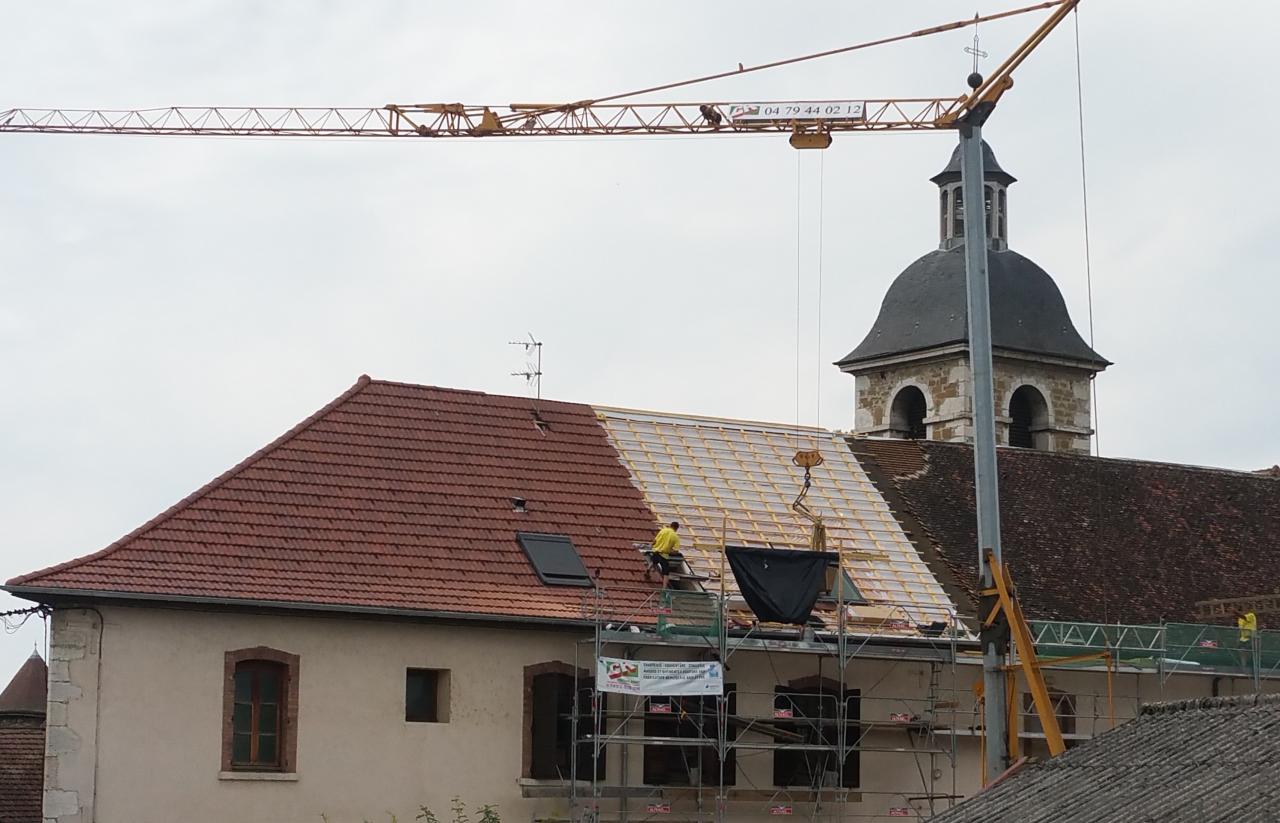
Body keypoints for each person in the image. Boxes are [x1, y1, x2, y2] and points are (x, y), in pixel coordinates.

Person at [649, 521, 683, 586]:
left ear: (670, 525)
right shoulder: (675, 537)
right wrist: (668, 551)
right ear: (676, 528)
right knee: (666, 572)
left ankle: (648, 570)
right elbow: (676, 551)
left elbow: (654, 541)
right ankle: (664, 587)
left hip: (656, 551)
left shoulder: (663, 530)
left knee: (654, 561)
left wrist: (653, 546)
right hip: (664, 555)